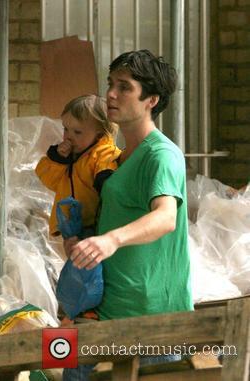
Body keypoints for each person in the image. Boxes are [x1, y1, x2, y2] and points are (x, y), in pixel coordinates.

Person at [63, 50, 193, 380]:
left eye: (124, 87)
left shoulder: (162, 155)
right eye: (110, 84)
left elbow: (166, 218)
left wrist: (111, 240)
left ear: (152, 99)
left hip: (150, 322)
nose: (110, 94)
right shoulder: (119, 158)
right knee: (62, 361)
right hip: (104, 310)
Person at [35, 94, 121, 238]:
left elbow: (107, 172)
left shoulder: (103, 153)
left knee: (83, 259)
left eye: (77, 132)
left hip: (93, 225)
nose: (68, 136)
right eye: (66, 129)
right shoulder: (70, 155)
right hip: (71, 224)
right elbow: (49, 181)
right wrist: (58, 160)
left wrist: (104, 180)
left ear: (99, 135)